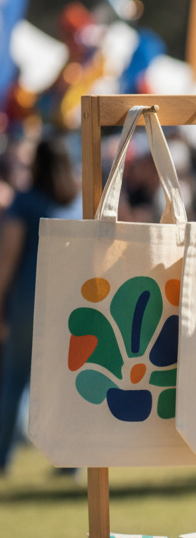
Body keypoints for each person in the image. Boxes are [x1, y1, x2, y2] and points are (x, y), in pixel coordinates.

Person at [0, 138, 81, 474]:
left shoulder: (25, 201)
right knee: (68, 385)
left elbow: (7, 259)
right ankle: (69, 462)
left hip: (28, 300)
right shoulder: (75, 203)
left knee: (15, 378)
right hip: (69, 302)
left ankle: (2, 457)